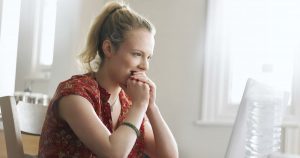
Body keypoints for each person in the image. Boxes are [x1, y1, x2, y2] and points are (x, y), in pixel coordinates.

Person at [38, 1, 179, 158]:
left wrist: (151, 106)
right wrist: (140, 105)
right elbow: (113, 154)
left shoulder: (128, 103)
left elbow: (169, 156)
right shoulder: (74, 94)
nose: (145, 66)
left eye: (149, 57)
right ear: (108, 49)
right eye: (137, 54)